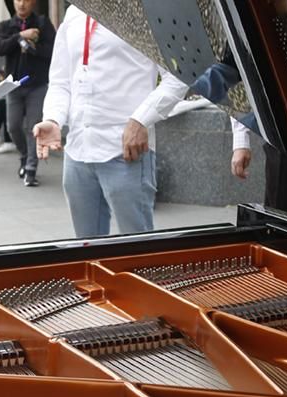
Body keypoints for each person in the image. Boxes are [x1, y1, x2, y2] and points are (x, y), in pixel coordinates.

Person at [33, 5, 187, 237]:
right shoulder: (74, 12)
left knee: (137, 251)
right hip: (78, 152)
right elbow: (61, 81)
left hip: (125, 151)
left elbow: (178, 77)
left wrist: (141, 120)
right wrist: (53, 119)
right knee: (88, 251)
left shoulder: (144, 10)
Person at [0, 0, 53, 187]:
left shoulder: (43, 23)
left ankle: (30, 169)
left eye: (25, 0)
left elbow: (52, 50)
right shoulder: (6, 26)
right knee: (13, 127)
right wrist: (20, 36)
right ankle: (25, 156)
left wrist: (31, 46)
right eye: (18, 0)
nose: (21, 4)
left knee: (33, 128)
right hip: (14, 85)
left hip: (37, 84)